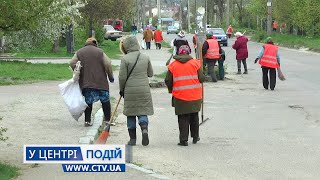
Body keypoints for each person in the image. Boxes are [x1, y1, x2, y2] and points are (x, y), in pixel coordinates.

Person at [165, 45, 205, 146]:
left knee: (183, 117)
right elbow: (202, 79)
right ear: (188, 52)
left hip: (180, 96)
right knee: (194, 116)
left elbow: (168, 80)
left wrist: (170, 90)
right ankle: (195, 137)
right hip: (195, 96)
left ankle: (183, 140)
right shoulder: (196, 63)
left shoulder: (173, 65)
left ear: (179, 52)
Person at [69, 37, 114, 127]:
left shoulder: (79, 52)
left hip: (86, 82)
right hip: (101, 81)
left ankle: (87, 121)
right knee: (105, 101)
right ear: (95, 43)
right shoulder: (100, 52)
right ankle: (108, 120)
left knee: (88, 101)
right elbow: (108, 64)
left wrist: (78, 71)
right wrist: (110, 77)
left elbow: (72, 62)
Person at [119, 36, 154, 146]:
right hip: (144, 89)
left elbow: (122, 77)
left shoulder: (125, 59)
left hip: (130, 90)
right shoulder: (145, 57)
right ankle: (144, 129)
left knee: (131, 114)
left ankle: (132, 139)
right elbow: (150, 73)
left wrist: (121, 90)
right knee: (142, 111)